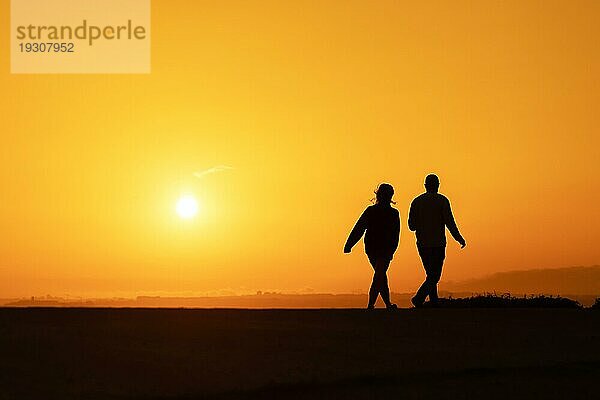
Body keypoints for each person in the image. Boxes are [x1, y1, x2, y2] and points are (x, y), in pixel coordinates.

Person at [408, 174, 466, 307]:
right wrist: (459, 238)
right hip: (438, 243)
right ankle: (419, 298)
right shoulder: (442, 201)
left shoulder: (416, 202)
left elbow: (411, 226)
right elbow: (450, 222)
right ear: (438, 185)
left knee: (430, 274)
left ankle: (434, 302)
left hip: (422, 243)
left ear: (425, 186)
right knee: (435, 275)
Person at [344, 183, 400, 310]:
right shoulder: (375, 211)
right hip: (376, 248)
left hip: (380, 248)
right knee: (380, 274)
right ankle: (374, 304)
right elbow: (359, 228)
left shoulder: (390, 213)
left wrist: (349, 244)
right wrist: (349, 244)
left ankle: (384, 304)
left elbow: (395, 234)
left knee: (380, 274)